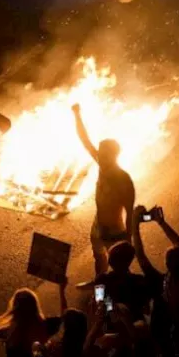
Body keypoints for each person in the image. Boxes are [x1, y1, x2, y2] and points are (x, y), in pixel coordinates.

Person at [72, 102, 137, 277]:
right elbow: (85, 141)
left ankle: (116, 297)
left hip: (115, 234)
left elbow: (130, 214)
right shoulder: (102, 166)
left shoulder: (124, 181)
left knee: (119, 270)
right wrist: (77, 115)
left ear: (113, 156)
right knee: (99, 262)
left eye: (102, 153)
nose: (98, 156)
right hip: (98, 228)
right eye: (99, 153)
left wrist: (128, 241)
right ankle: (100, 292)